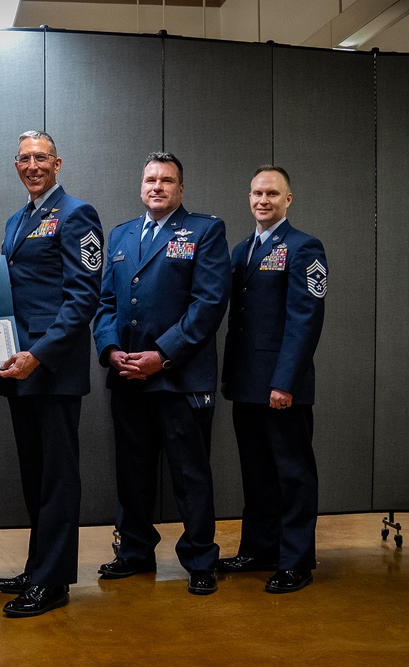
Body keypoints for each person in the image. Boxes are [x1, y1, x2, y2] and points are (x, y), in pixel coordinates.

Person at [92, 152, 231, 595]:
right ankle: (134, 552)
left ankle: (199, 559)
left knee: (190, 475)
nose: (157, 186)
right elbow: (105, 304)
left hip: (179, 378)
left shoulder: (205, 231)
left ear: (180, 189)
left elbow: (208, 305)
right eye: (150, 179)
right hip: (128, 376)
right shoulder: (120, 235)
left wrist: (162, 355)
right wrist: (110, 350)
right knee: (132, 472)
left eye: (167, 180)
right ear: (140, 186)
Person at [0, 130, 104, 617]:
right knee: (35, 474)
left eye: (41, 157)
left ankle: (53, 580)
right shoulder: (18, 220)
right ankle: (40, 565)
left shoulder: (78, 214)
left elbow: (84, 298)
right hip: (19, 366)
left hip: (50, 367)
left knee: (57, 476)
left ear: (59, 162)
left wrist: (39, 353)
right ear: (15, 165)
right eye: (24, 158)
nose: (32, 165)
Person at [219, 165, 327, 594]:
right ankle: (260, 549)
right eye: (256, 193)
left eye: (271, 193)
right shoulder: (243, 249)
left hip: (281, 386)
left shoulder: (304, 247)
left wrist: (284, 382)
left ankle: (296, 560)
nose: (262, 200)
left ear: (288, 199)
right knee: (257, 473)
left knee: (293, 476)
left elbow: (305, 320)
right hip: (246, 383)